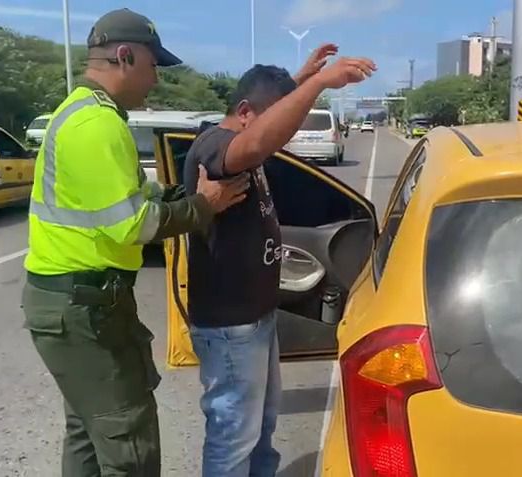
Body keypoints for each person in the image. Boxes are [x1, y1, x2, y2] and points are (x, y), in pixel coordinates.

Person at [20, 8, 249, 477]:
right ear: (125, 56)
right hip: (83, 309)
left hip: (74, 305)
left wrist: (179, 193)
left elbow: (137, 196)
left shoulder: (85, 114)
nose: (156, 80)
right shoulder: (97, 126)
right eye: (152, 67)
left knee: (89, 432)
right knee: (129, 442)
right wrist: (204, 206)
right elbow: (136, 226)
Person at [182, 45, 376, 476]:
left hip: (255, 318)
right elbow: (255, 142)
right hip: (231, 325)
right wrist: (321, 84)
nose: (282, 136)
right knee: (233, 437)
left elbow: (265, 125)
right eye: (275, 121)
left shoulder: (247, 133)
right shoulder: (217, 146)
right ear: (246, 111)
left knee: (260, 429)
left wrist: (304, 79)